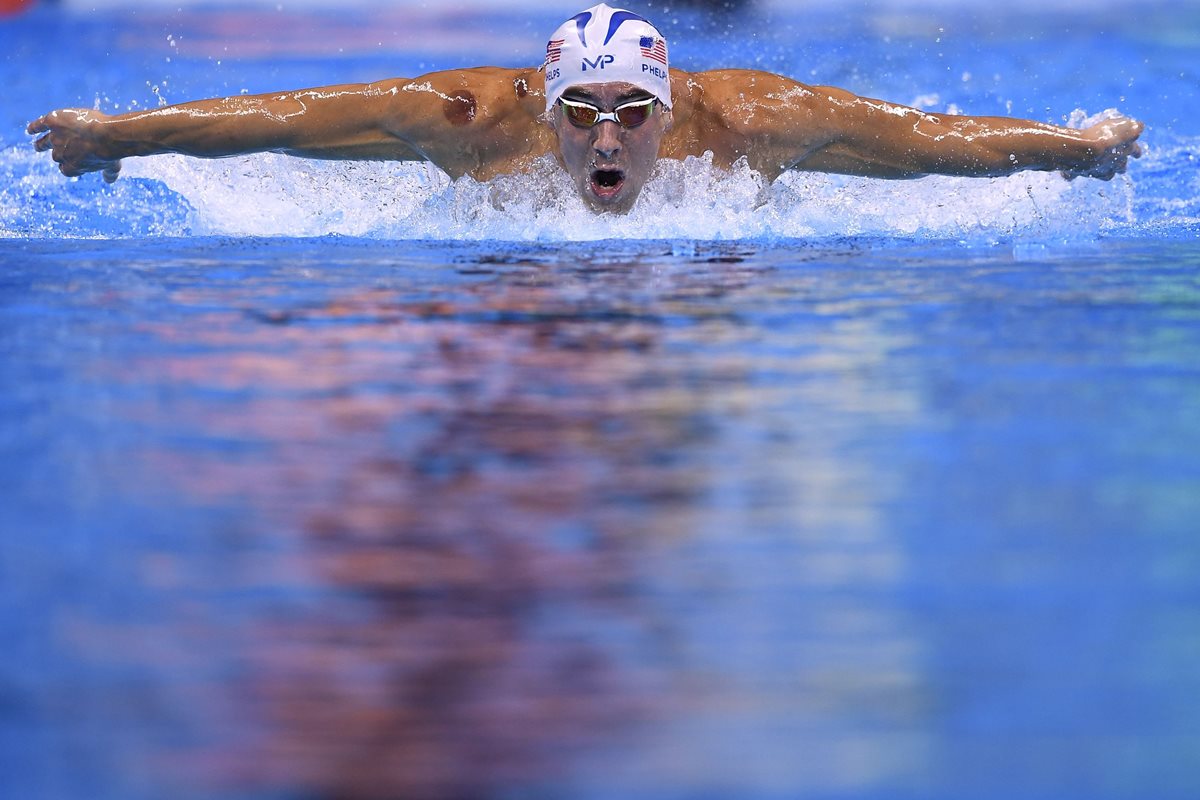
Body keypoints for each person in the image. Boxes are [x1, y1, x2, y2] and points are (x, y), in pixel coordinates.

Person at [28, 3, 1143, 215]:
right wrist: (117, 138)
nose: (605, 138)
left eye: (630, 114)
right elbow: (279, 116)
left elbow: (921, 144)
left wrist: (1073, 151)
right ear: (541, 101)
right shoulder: (472, 115)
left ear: (673, 107)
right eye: (580, 112)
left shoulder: (750, 119)